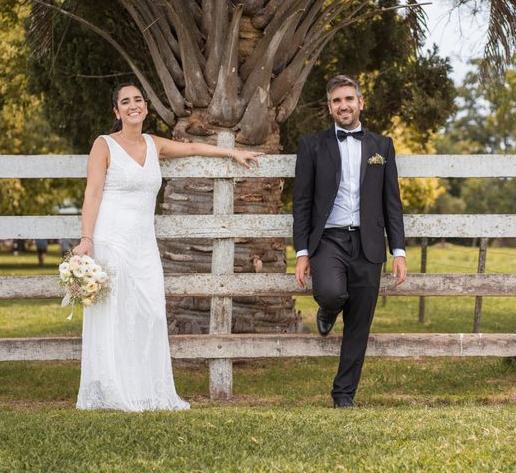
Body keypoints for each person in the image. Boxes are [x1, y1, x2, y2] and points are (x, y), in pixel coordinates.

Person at [72, 83, 262, 411]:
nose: (133, 105)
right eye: (125, 102)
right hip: (111, 238)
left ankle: (145, 388)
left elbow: (192, 150)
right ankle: (112, 389)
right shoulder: (103, 145)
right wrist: (86, 239)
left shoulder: (153, 144)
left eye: (138, 100)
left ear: (145, 107)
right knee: (114, 313)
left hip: (144, 244)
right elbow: (92, 194)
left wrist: (232, 152)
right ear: (117, 112)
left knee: (149, 312)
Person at [293, 75, 407, 408]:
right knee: (330, 291)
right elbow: (301, 202)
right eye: (336, 100)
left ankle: (344, 394)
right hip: (328, 239)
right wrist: (302, 252)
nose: (343, 105)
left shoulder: (381, 146)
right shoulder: (312, 146)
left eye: (349, 99)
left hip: (370, 243)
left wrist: (397, 250)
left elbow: (392, 202)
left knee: (359, 324)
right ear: (329, 107)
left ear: (360, 102)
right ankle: (328, 309)